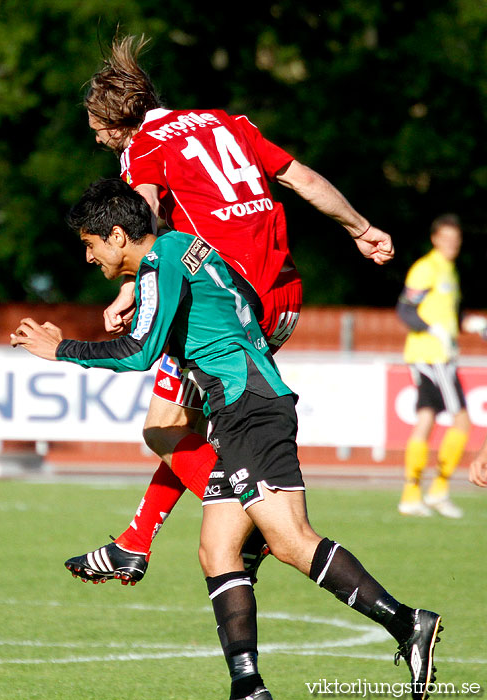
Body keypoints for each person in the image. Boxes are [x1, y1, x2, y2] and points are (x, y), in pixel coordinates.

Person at [11, 178, 440, 700]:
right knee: (217, 550)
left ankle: (407, 623)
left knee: (291, 541)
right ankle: (248, 686)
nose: (88, 256)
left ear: (119, 236)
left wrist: (63, 350)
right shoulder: (186, 247)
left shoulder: (161, 263)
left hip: (251, 411)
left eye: (90, 244)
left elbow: (139, 352)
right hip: (240, 407)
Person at [64, 34, 394, 585]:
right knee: (188, 424)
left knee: (164, 429)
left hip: (223, 300)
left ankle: (259, 524)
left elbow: (141, 221)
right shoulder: (225, 122)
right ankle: (134, 541)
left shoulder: (143, 148)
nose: (96, 138)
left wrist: (131, 289)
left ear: (113, 123)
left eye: (96, 129)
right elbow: (301, 178)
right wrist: (362, 229)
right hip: (283, 295)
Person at [396, 214, 487, 518]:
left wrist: (469, 323)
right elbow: (406, 309)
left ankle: (411, 495)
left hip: (438, 354)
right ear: (435, 238)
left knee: (426, 418)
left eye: (456, 239)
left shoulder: (449, 270)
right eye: (446, 238)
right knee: (461, 421)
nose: (451, 244)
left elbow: (449, 315)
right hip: (432, 356)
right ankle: (438, 490)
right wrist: (430, 328)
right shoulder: (426, 268)